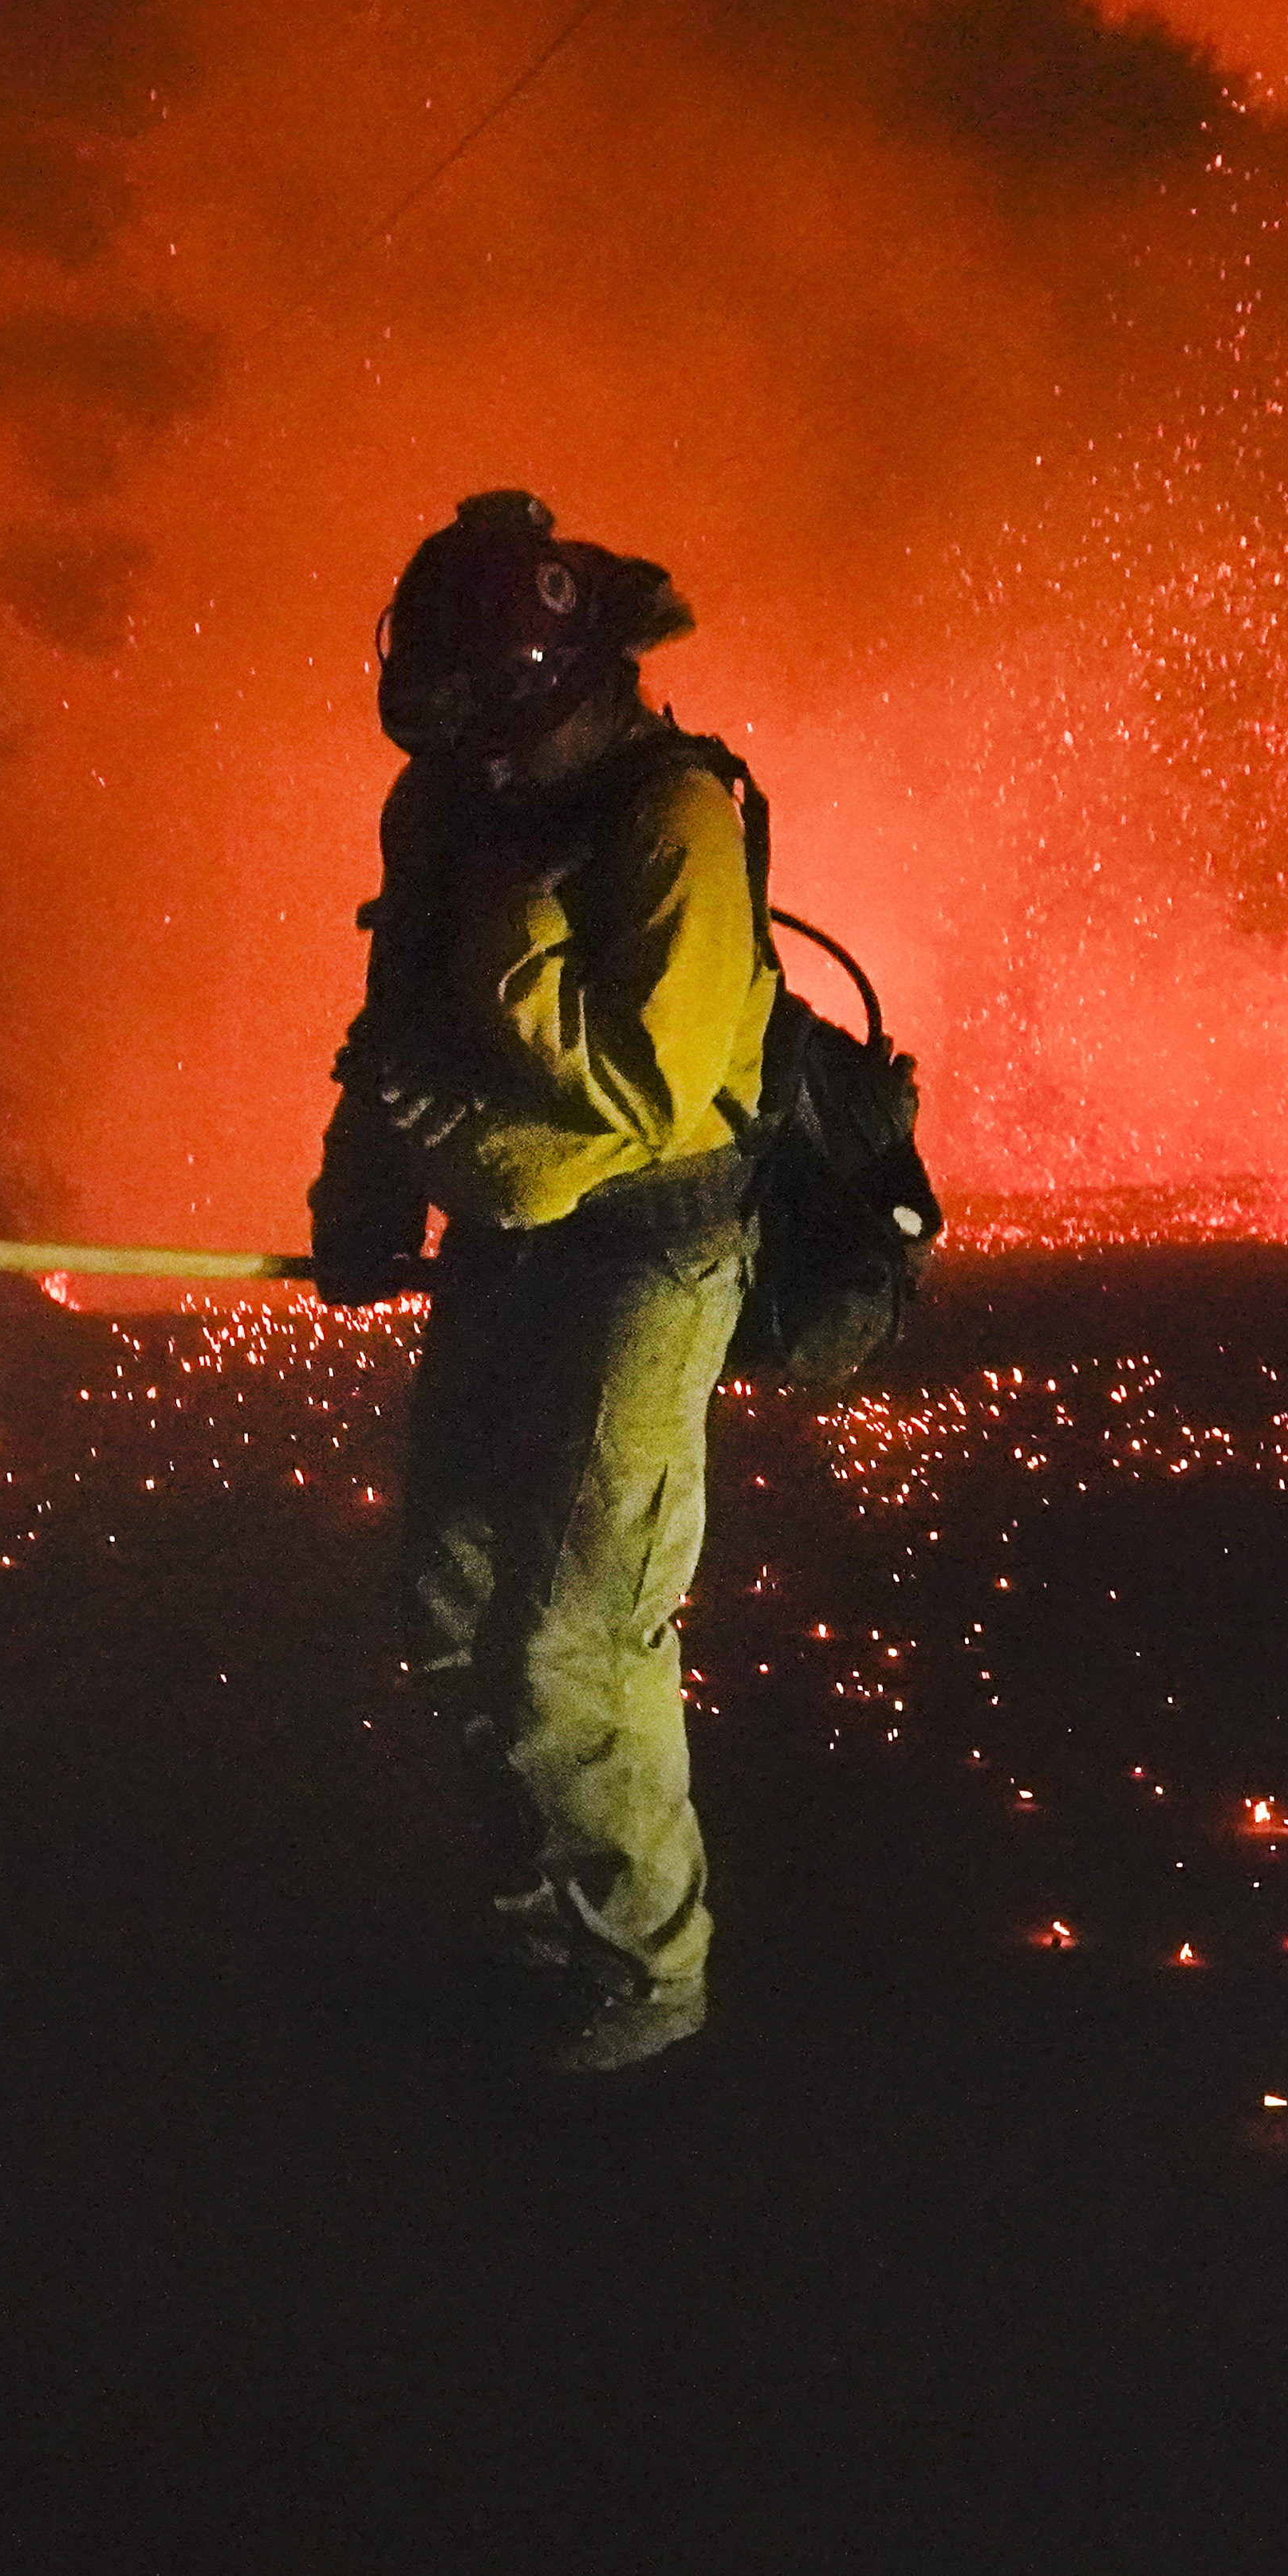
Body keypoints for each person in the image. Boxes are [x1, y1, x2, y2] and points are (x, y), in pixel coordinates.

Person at [311, 490, 774, 2075]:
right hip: (509, 1248)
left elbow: (640, 1099)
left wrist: (462, 1130)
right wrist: (364, 1191)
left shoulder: (674, 817)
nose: (473, 768)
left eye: (491, 737)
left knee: (571, 1639)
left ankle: (646, 1989)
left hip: (646, 1244)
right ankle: (543, 1932)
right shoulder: (443, 795)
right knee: (452, 1604)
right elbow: (393, 1025)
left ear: (555, 683)